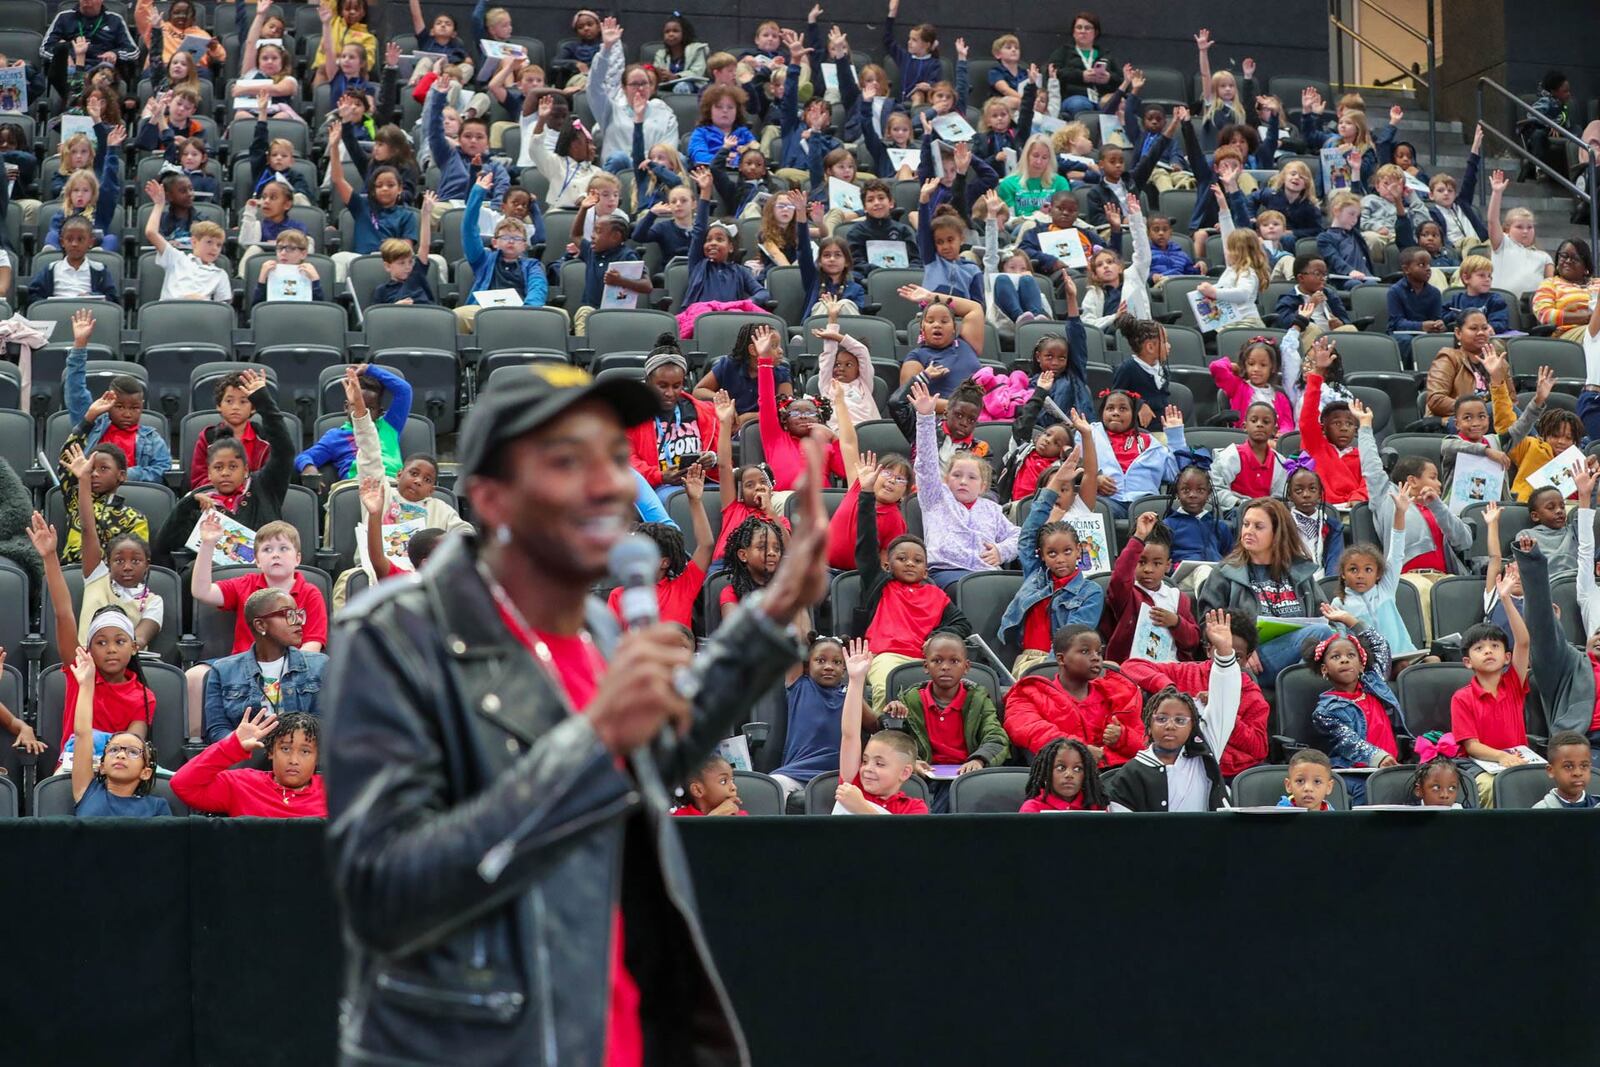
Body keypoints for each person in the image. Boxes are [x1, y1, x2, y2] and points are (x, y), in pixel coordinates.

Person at [323, 361, 831, 1063]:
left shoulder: (594, 622)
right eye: (568, 460)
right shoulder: (397, 634)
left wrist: (770, 617)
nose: (610, 483)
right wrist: (592, 740)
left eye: (619, 457)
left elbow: (632, 769)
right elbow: (386, 891)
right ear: (492, 497)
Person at [28, 514, 158, 771]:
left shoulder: (144, 696)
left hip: (120, 771)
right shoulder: (80, 671)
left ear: (133, 647)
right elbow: (63, 612)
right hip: (72, 769)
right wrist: (49, 557)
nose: (110, 649)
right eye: (100, 642)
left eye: (120, 641)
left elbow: (133, 745)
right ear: (88, 650)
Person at [850, 460, 971, 712]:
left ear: (926, 569)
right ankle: (884, 737)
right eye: (901, 558)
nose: (909, 564)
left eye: (917, 561)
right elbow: (866, 543)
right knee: (887, 686)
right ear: (887, 564)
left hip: (924, 660)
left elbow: (962, 625)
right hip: (885, 657)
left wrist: (935, 637)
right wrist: (867, 494)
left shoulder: (936, 594)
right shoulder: (880, 584)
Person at [1105, 610, 1241, 812]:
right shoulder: (1129, 775)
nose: (1169, 726)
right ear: (1149, 724)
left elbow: (1225, 702)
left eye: (1180, 721)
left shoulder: (1205, 752)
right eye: (1161, 719)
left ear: (1193, 726)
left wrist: (1224, 653)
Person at [154, 376, 293, 567]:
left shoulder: (265, 486)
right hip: (214, 580)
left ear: (246, 469)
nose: (225, 473)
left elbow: (285, 450)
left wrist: (263, 400)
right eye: (218, 467)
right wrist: (187, 504)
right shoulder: (198, 501)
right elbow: (162, 547)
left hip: (263, 572)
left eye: (233, 467)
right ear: (209, 472)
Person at [1198, 497, 1334, 685]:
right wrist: (1240, 648)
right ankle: (1298, 695)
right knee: (1320, 634)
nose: (1248, 531)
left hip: (1299, 653)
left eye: (1258, 527)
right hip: (1248, 659)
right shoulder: (1224, 573)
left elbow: (1325, 615)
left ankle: (1294, 693)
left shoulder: (1300, 572)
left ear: (1277, 533)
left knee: (1330, 641)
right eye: (1246, 524)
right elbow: (1208, 625)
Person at [909, 382, 1019, 589]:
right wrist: (924, 418)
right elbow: (926, 464)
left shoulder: (991, 509)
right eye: (957, 475)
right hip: (946, 570)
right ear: (946, 479)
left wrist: (1001, 551)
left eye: (971, 478)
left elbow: (1019, 536)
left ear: (983, 485)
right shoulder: (935, 498)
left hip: (985, 572)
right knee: (974, 590)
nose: (962, 481)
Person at [882, 631, 1008, 810]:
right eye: (937, 660)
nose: (945, 667)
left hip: (966, 776)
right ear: (926, 666)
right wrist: (911, 762)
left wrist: (979, 760)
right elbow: (894, 742)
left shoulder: (978, 700)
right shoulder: (910, 700)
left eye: (954, 661)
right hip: (924, 777)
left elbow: (997, 738)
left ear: (966, 667)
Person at [200, 585, 327, 743]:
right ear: (260, 625)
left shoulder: (320, 666)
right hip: (247, 759)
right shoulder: (223, 671)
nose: (298, 621)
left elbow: (327, 723)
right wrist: (241, 742)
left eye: (298, 614)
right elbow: (217, 729)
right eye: (288, 614)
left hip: (301, 758)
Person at [1307, 617, 1408, 802]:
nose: (1344, 660)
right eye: (1336, 657)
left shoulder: (1373, 683)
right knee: (1366, 790)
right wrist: (1377, 757)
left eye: (1350, 656)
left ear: (1362, 664)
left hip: (1392, 765)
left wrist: (1350, 620)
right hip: (1355, 771)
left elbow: (1380, 646)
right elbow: (1349, 742)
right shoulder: (1325, 711)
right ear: (1324, 669)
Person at [63, 310, 169, 484]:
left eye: (134, 408)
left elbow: (162, 470)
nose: (127, 414)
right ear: (108, 404)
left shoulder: (151, 438)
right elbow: (75, 391)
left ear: (142, 406)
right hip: (93, 493)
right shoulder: (93, 427)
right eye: (120, 407)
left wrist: (123, 475)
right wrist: (80, 344)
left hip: (133, 494)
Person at [66, 648, 169, 817]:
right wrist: (86, 685)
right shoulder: (87, 790)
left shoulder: (157, 806)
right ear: (102, 766)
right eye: (114, 750)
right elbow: (83, 733)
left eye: (133, 752)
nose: (121, 755)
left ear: (146, 772)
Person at [834, 637, 929, 814]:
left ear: (905, 772)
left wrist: (860, 806)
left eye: (880, 764)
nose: (868, 769)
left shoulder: (914, 808)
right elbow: (850, 735)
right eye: (864, 760)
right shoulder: (853, 785)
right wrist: (856, 680)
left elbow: (902, 840)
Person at [174, 707, 326, 817]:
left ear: (317, 757)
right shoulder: (241, 784)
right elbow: (182, 784)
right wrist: (231, 746)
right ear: (271, 751)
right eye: (285, 749)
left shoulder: (333, 793)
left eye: (305, 751)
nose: (294, 760)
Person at [1102, 513, 1200, 663]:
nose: (1148, 569)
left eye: (1157, 563)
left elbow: (1192, 641)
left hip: (1171, 668)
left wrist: (1176, 622)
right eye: (1141, 562)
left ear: (1167, 566)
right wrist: (1139, 537)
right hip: (1133, 669)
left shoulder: (1177, 598)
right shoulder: (1127, 593)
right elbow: (1120, 577)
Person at [294, 364, 412, 481]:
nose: (362, 410)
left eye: (369, 408)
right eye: (356, 405)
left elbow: (404, 391)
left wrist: (369, 369)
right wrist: (308, 467)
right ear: (346, 406)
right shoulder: (335, 437)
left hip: (393, 484)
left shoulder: (390, 425)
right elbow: (305, 456)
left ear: (380, 412)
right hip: (357, 485)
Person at [41, 0, 139, 100]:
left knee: (104, 77)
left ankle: (100, 109)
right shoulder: (63, 17)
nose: (86, 1)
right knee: (72, 88)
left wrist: (115, 54)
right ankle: (74, 107)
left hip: (101, 68)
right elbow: (45, 49)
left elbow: (133, 51)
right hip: (72, 68)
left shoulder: (115, 20)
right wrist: (62, 56)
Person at [1018, 736, 1107, 811]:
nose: (1069, 774)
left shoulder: (1096, 807)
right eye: (1061, 768)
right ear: (1046, 773)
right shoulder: (1032, 809)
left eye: (1077, 769)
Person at [1533, 731, 1599, 808]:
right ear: (1550, 770)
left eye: (1584, 766)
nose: (1577, 773)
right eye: (1568, 767)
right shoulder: (1540, 812)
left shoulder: (1597, 806)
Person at [670, 754, 745, 816]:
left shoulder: (740, 816)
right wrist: (715, 816)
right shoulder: (680, 818)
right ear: (698, 790)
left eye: (732, 780)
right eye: (723, 781)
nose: (734, 787)